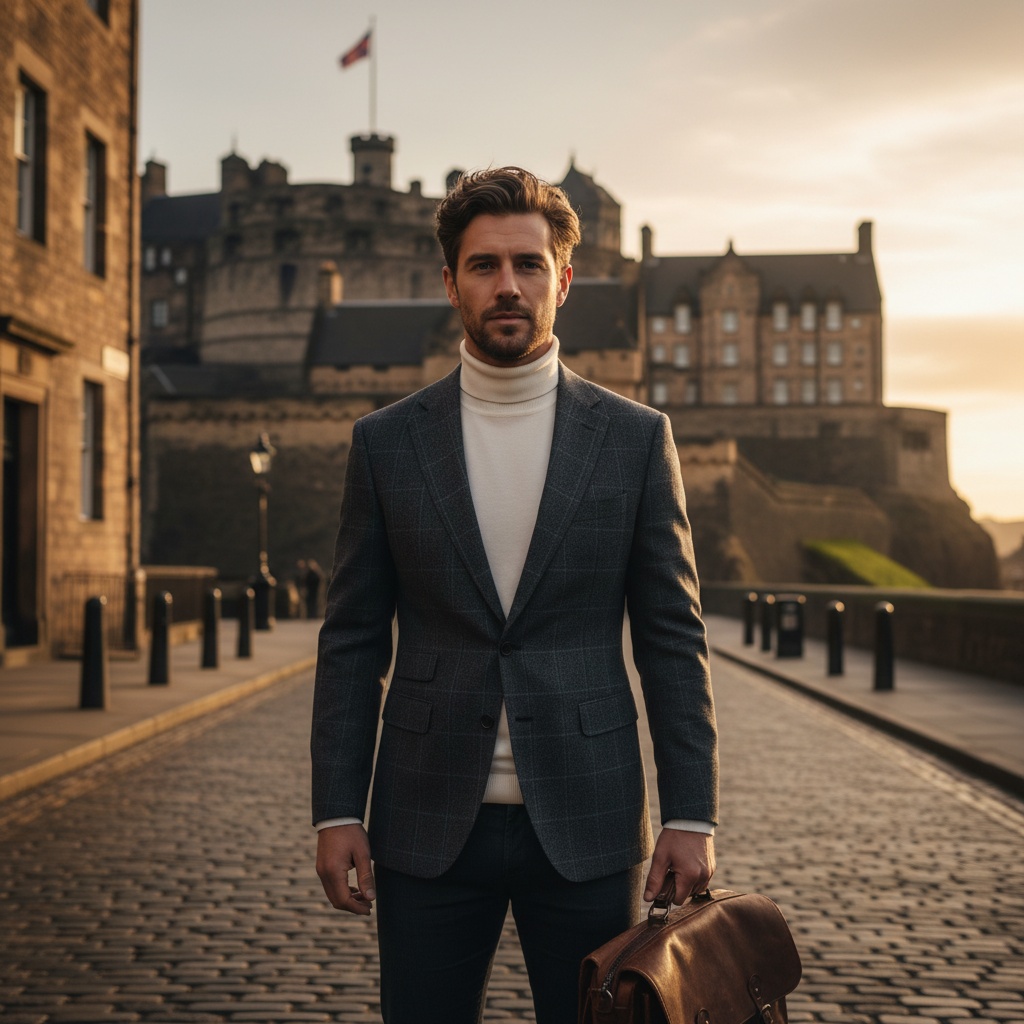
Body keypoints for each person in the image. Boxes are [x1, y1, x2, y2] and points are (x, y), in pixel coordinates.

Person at [311, 167, 718, 1024]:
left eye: (529, 266)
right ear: (451, 280)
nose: (509, 286)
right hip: (424, 821)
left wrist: (692, 811)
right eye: (486, 265)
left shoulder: (637, 440)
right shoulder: (384, 443)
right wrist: (337, 809)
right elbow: (351, 640)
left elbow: (673, 637)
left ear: (563, 280)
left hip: (592, 818)